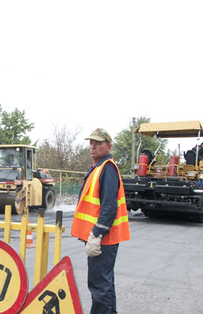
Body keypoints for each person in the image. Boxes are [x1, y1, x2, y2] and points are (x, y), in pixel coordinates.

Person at [71, 128, 130, 314]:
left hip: (103, 238)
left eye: (98, 143)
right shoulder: (98, 168)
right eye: (91, 143)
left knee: (99, 286)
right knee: (105, 284)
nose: (93, 146)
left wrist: (97, 234)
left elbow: (109, 206)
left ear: (108, 146)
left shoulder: (107, 169)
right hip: (102, 237)